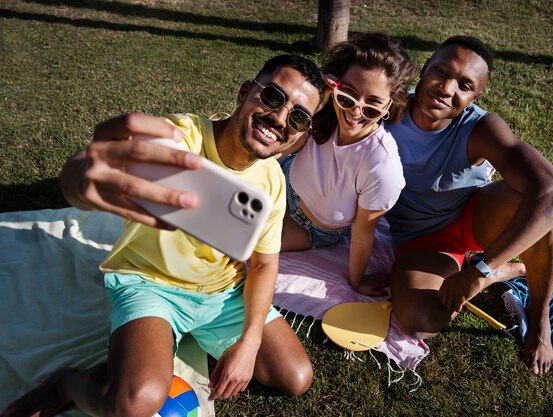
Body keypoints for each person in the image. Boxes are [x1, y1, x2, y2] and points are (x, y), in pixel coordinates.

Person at [2, 54, 325, 417]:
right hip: (151, 283)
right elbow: (103, 166)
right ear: (245, 93)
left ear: (300, 134)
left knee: (296, 377)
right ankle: (68, 383)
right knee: (133, 403)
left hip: (222, 293)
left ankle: (194, 336)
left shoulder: (272, 181)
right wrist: (83, 175)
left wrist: (249, 342)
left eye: (298, 117)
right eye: (273, 97)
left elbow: (265, 263)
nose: (280, 118)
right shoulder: (183, 138)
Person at [385, 35, 553, 376]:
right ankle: (506, 271)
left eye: (464, 85)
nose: (446, 88)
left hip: (473, 216)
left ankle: (539, 314)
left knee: (546, 211)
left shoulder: (479, 126)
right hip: (422, 239)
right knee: (419, 321)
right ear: (424, 69)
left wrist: (479, 272)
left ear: (475, 96)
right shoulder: (391, 106)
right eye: (440, 72)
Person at [279, 32, 417, 296]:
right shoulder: (327, 110)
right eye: (348, 95)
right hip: (284, 181)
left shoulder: (382, 166)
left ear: (389, 106)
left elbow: (364, 232)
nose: (355, 110)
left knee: (242, 237)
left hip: (310, 227)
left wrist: (357, 282)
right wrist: (317, 93)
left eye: (372, 105)